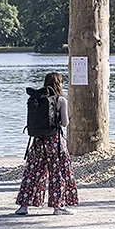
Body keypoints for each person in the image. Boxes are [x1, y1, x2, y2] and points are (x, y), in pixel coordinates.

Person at [15, 72, 79, 215]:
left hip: (38, 140)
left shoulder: (37, 98)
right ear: (59, 84)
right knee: (58, 172)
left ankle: (23, 206)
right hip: (55, 142)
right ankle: (58, 206)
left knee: (32, 173)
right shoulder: (60, 100)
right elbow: (65, 123)